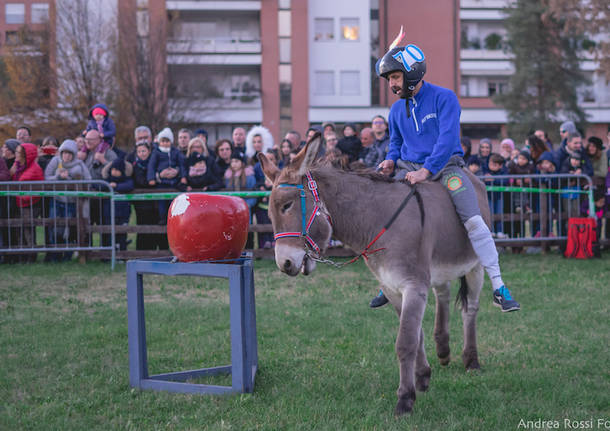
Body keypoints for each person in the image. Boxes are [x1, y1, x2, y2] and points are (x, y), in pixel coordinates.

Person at [374, 41, 519, 312]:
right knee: (385, 216)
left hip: (447, 169)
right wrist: (390, 161)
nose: (391, 84)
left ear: (412, 72)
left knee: (475, 220)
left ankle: (499, 286)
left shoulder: (445, 98)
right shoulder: (395, 110)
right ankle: (386, 284)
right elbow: (394, 143)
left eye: (394, 77)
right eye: (389, 79)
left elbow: (447, 139)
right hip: (407, 168)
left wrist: (426, 171)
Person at [44, 139, 91, 261]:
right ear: (61, 153)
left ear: (74, 154)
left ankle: (68, 255)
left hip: (72, 202)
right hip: (56, 200)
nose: (67, 156)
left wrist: (71, 180)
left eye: (70, 153)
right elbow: (46, 177)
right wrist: (58, 177)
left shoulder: (80, 164)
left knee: (69, 228)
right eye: (64, 153)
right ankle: (55, 255)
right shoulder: (55, 161)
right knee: (55, 228)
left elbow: (88, 180)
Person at [10, 143, 44, 262]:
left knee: (28, 230)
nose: (16, 154)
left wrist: (23, 196)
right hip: (18, 203)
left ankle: (31, 256)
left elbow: (39, 189)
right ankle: (22, 256)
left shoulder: (35, 168)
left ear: (25, 155)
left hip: (30, 205)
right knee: (19, 229)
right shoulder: (18, 167)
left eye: (18, 152)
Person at [147, 127, 187, 224]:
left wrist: (183, 177)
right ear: (159, 141)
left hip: (174, 183)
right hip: (162, 183)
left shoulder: (175, 152)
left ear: (171, 141)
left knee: (173, 203)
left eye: (167, 141)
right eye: (163, 141)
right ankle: (162, 218)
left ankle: (173, 219)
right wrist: (151, 178)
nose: (165, 143)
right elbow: (151, 166)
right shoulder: (156, 153)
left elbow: (182, 165)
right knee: (161, 203)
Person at [130, 141, 161, 250]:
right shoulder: (135, 166)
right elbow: (139, 181)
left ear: (149, 151)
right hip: (141, 203)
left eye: (144, 151)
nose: (142, 153)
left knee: (154, 226)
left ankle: (153, 252)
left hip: (154, 202)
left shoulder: (154, 164)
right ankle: (141, 252)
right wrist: (150, 181)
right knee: (142, 226)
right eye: (139, 151)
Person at [102, 158, 134, 250]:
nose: (114, 172)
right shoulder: (106, 180)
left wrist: (116, 186)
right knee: (109, 235)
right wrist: (108, 185)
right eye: (113, 169)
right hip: (109, 213)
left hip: (123, 213)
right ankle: (108, 256)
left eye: (117, 170)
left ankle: (122, 255)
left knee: (122, 234)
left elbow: (130, 185)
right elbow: (97, 185)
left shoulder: (126, 180)